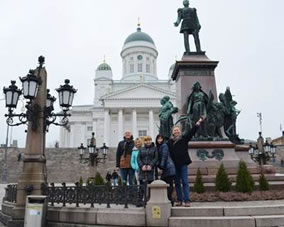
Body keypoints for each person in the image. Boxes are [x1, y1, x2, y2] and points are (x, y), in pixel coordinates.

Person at [168, 117, 204, 207]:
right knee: (176, 183)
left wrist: (198, 122)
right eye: (175, 130)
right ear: (172, 132)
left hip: (183, 163)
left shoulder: (184, 138)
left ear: (180, 131)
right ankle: (179, 200)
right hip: (175, 165)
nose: (176, 132)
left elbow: (192, 132)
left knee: (185, 181)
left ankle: (187, 200)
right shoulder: (169, 142)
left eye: (177, 130)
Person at [156, 134, 176, 206]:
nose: (159, 140)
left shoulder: (164, 146)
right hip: (166, 168)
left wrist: (161, 167)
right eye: (158, 139)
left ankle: (170, 200)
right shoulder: (159, 147)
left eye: (161, 139)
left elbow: (164, 157)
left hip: (168, 168)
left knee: (169, 185)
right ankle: (168, 199)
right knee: (166, 184)